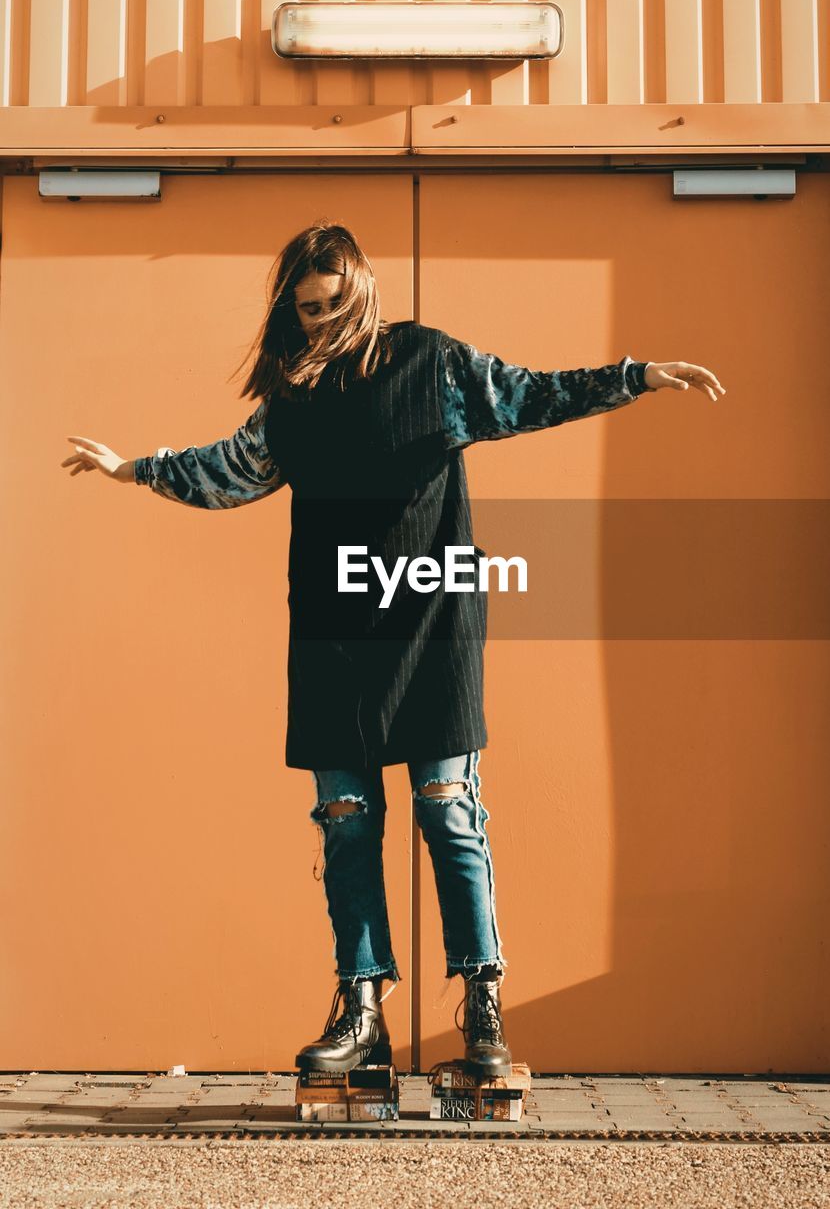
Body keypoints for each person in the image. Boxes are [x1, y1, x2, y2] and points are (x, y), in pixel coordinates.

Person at [63, 220, 727, 1079]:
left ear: (362, 288)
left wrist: (634, 376)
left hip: (431, 623)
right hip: (336, 635)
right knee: (345, 823)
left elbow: (530, 394)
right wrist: (135, 469)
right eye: (306, 308)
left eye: (334, 300)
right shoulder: (292, 402)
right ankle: (363, 1007)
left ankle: (484, 1009)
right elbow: (230, 469)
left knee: (448, 806)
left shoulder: (431, 365)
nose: (321, 318)